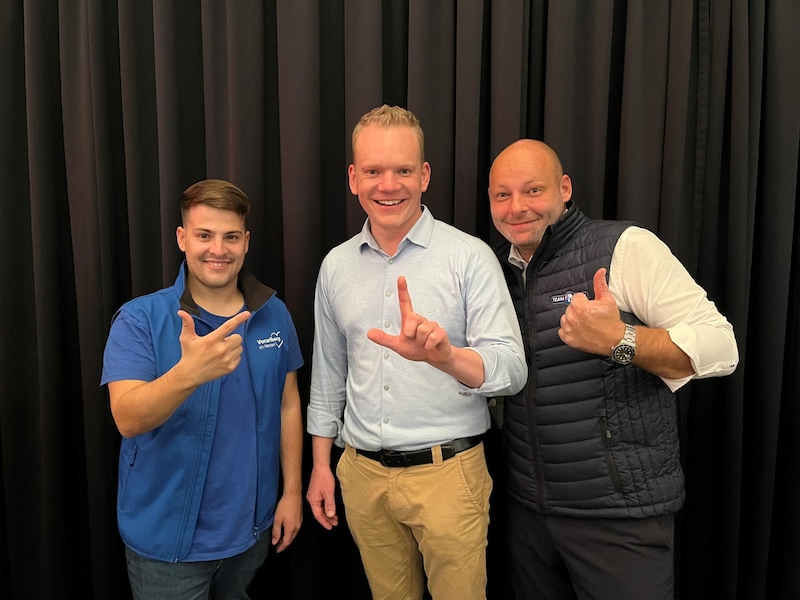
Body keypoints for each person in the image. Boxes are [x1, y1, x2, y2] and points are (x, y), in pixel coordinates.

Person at [487, 139, 739, 600]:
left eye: (533, 190)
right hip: (529, 516)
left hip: (619, 520)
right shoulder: (493, 268)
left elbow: (721, 346)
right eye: (502, 195)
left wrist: (622, 340)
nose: (517, 207)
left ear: (564, 189)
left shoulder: (625, 247)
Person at [305, 104, 528, 600]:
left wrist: (446, 357)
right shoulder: (335, 267)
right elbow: (328, 375)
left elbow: (513, 370)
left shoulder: (469, 257)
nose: (389, 185)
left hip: (448, 476)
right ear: (353, 178)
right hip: (361, 476)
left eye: (403, 169)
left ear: (424, 175)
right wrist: (322, 466)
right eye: (374, 171)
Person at [100, 179, 304, 599]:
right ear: (182, 238)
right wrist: (188, 374)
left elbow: (287, 404)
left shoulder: (273, 315)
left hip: (250, 536)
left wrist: (293, 494)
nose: (218, 249)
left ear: (246, 242)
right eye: (204, 235)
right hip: (167, 549)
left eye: (231, 237)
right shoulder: (140, 319)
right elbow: (128, 418)